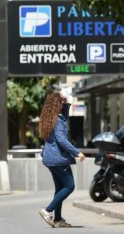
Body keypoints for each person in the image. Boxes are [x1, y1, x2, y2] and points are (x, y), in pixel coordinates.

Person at [38, 92, 85, 228]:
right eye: (61, 103)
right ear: (56, 105)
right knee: (69, 186)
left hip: (50, 159)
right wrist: (77, 153)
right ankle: (47, 210)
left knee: (60, 189)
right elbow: (62, 140)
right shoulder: (57, 121)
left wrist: (66, 103)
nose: (63, 105)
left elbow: (65, 117)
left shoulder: (49, 119)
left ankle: (58, 219)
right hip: (59, 159)